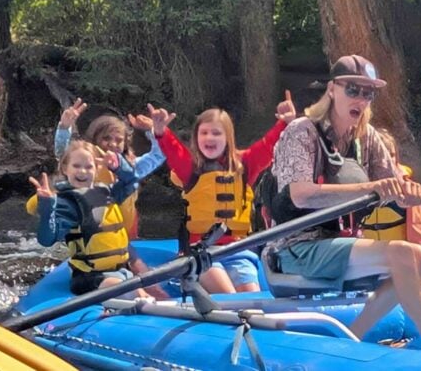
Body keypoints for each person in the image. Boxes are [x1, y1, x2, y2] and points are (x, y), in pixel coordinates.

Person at [264, 55, 421, 340]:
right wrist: (372, 188)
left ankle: (353, 337)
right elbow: (301, 196)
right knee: (405, 254)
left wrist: (410, 193)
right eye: (352, 90)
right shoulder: (301, 131)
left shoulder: (367, 137)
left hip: (343, 245)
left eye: (368, 93)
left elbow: (395, 187)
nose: (360, 99)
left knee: (420, 258)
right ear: (332, 89)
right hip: (297, 248)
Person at [133, 92, 297, 293]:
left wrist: (285, 123)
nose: (209, 138)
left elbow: (267, 146)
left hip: (238, 251)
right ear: (196, 137)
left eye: (216, 133)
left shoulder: (244, 164)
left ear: (228, 138)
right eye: (204, 133)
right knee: (229, 296)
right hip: (203, 253)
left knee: (251, 297)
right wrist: (161, 131)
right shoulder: (190, 168)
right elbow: (173, 150)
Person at [30, 138, 149, 297]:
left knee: (138, 290)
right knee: (138, 294)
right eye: (76, 166)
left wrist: (119, 166)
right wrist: (47, 208)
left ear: (97, 168)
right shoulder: (69, 203)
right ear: (65, 168)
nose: (83, 171)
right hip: (89, 278)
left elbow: (132, 182)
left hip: (121, 271)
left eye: (88, 166)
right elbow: (46, 239)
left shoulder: (107, 192)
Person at [53, 99, 166, 239]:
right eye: (106, 138)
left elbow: (159, 155)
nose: (113, 144)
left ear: (125, 144)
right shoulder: (87, 166)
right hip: (93, 240)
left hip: (126, 238)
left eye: (118, 140)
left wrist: (154, 131)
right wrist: (64, 127)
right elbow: (62, 154)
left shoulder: (133, 166)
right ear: (94, 140)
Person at [361, 129, 421, 254]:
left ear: (397, 158)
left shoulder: (408, 191)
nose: (386, 161)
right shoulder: (356, 189)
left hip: (401, 262)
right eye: (378, 155)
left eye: (391, 155)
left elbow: (419, 235)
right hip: (368, 261)